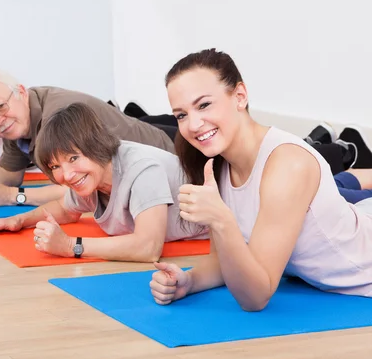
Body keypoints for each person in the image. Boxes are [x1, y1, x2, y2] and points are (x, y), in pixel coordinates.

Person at [150, 49, 372, 311]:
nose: (194, 124)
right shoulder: (219, 166)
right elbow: (227, 260)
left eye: (204, 105)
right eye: (181, 115)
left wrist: (222, 219)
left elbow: (255, 297)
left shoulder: (288, 164)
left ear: (240, 96)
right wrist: (189, 280)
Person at [0, 103, 207, 262]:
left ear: (95, 145)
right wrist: (20, 220)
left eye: (73, 158)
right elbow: (65, 209)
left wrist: (70, 246)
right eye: (55, 167)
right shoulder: (92, 174)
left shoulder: (142, 168)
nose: (67, 175)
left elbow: (148, 248)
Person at [0, 70, 179, 207]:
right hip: (135, 140)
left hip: (169, 154)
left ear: (21, 93)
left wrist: (10, 197)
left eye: (1, 107)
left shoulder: (53, 120)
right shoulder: (14, 120)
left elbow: (76, 190)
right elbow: (10, 174)